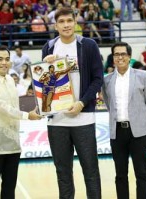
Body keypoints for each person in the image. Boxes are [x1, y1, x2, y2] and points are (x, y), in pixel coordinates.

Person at [41, 7, 103, 198]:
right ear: (56, 25)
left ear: (75, 22)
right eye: (62, 21)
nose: (66, 25)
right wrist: (44, 66)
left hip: (83, 118)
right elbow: (43, 85)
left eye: (69, 20)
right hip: (57, 120)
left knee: (91, 171)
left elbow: (98, 79)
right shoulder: (49, 47)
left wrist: (82, 103)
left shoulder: (89, 45)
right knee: (63, 173)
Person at [0, 45, 42, 199]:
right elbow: (3, 108)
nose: (4, 62)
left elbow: (13, 107)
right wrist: (28, 116)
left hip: (12, 139)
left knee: (10, 185)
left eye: (7, 59)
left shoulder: (10, 80)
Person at [102, 42, 146, 199]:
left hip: (138, 131)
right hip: (117, 132)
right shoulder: (107, 80)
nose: (120, 57)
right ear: (113, 58)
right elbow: (107, 102)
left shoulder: (143, 76)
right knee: (120, 174)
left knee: (141, 173)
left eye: (123, 54)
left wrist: (144, 123)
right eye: (116, 54)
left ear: (129, 57)